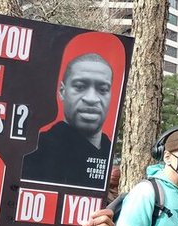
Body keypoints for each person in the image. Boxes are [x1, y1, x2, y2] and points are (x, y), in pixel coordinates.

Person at [22, 53, 113, 189]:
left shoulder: (113, 153)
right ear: (62, 91)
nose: (92, 98)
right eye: (80, 87)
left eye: (103, 89)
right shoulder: (35, 151)